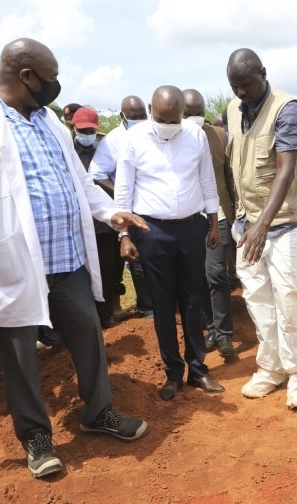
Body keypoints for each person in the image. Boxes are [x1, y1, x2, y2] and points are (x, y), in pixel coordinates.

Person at [0, 38, 149, 479]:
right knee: (19, 355)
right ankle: (36, 437)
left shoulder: (49, 122)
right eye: (51, 75)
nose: (56, 84)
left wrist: (109, 211)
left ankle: (98, 412)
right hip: (9, 265)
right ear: (28, 76)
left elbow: (80, 182)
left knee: (88, 335)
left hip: (67, 260)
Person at [116, 85, 224, 401]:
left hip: (192, 227)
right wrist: (124, 235)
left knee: (193, 300)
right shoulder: (133, 140)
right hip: (152, 231)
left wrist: (214, 222)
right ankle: (173, 373)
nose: (169, 127)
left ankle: (198, 370)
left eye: (174, 120)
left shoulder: (195, 135)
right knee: (162, 303)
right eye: (162, 119)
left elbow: (207, 180)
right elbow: (123, 190)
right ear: (151, 110)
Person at [226, 48, 297, 409]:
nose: (241, 93)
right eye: (235, 87)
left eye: (247, 84)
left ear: (263, 73)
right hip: (246, 224)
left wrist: (262, 225)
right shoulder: (233, 110)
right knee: (258, 300)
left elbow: (286, 169)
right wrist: (244, 222)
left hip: (286, 225)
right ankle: (271, 367)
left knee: (290, 298)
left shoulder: (288, 109)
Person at [182, 88, 237, 361]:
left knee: (217, 273)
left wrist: (235, 208)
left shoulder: (218, 135)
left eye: (198, 113)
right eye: (189, 114)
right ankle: (211, 328)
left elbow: (227, 174)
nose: (194, 118)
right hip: (191, 218)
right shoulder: (174, 138)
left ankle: (225, 334)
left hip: (220, 215)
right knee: (199, 276)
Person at [89, 95, 153, 318]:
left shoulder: (153, 131)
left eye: (142, 116)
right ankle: (146, 306)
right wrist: (121, 194)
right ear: (122, 116)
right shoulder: (113, 140)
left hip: (154, 206)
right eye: (133, 117)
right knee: (138, 259)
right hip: (131, 209)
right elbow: (96, 174)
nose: (139, 120)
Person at [72, 107, 118, 329]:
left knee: (107, 270)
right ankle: (86, 318)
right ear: (74, 128)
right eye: (84, 130)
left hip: (105, 223)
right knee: (83, 273)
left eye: (91, 130)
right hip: (80, 224)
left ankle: (105, 315)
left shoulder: (103, 151)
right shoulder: (67, 152)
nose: (88, 134)